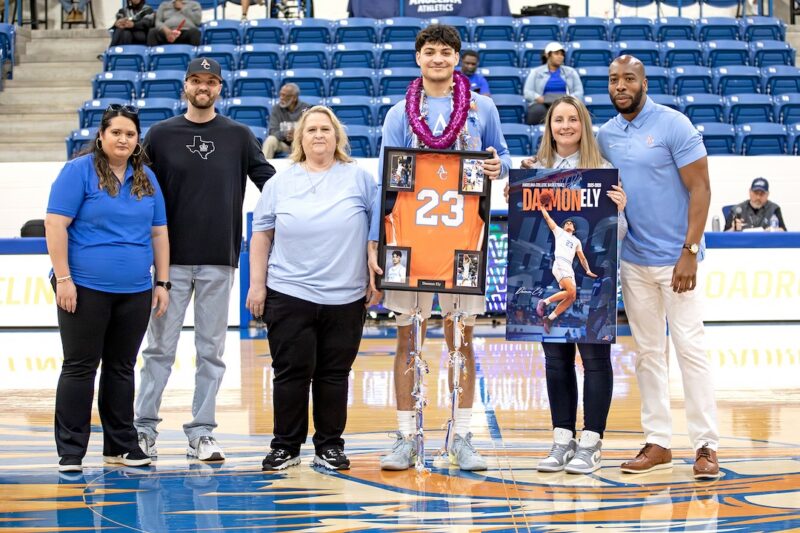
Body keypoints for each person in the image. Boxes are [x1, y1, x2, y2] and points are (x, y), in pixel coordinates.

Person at [369, 24, 512, 472]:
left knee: (461, 337)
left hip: (463, 239)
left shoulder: (481, 107)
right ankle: (407, 436)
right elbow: (384, 182)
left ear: (457, 58)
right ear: (418, 58)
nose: (437, 58)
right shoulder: (398, 112)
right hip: (408, 239)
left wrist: (495, 165)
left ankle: (462, 435)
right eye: (429, 51)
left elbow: (503, 158)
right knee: (408, 335)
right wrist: (377, 240)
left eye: (445, 52)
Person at [134, 58, 275, 462]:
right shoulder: (160, 135)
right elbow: (138, 190)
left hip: (219, 259)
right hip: (170, 263)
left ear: (219, 88)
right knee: (159, 349)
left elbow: (273, 186)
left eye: (210, 81)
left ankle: (202, 433)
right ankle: (143, 430)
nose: (203, 87)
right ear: (186, 85)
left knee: (211, 350)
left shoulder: (238, 135)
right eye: (196, 80)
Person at [597, 55, 720, 480]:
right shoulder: (606, 135)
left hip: (676, 260)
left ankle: (706, 445)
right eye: (614, 80)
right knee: (648, 354)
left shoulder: (674, 125)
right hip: (633, 261)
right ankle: (659, 442)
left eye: (629, 78)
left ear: (644, 82)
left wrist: (690, 249)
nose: (620, 86)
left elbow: (701, 188)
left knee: (691, 350)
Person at [246, 106, 380, 471]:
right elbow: (261, 236)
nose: (319, 135)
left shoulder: (360, 179)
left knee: (334, 375)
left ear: (337, 137)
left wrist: (376, 274)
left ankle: (330, 446)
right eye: (311, 130)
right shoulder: (279, 182)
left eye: (326, 129)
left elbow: (378, 232)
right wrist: (257, 286)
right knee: (290, 372)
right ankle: (285, 446)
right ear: (299, 139)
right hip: (290, 292)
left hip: (346, 295)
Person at [45, 104, 170, 472]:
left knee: (122, 367)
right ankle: (70, 451)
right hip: (84, 287)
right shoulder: (77, 172)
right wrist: (64, 278)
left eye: (130, 134)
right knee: (80, 367)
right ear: (101, 136)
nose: (123, 139)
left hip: (135, 290)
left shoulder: (146, 177)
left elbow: (159, 232)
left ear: (137, 140)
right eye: (116, 132)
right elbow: (55, 225)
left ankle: (121, 446)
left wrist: (161, 282)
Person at [517, 95, 627, 474]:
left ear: (584, 126)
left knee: (595, 359)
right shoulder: (536, 170)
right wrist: (516, 199)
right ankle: (562, 438)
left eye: (573, 120)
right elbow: (535, 221)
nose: (565, 126)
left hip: (594, 278)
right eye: (558, 120)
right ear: (549, 127)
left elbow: (617, 236)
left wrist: (621, 210)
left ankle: (592, 442)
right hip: (555, 271)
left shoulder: (603, 170)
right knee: (555, 360)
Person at [523, 42, 584, 125]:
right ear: (547, 55)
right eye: (556, 54)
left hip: (566, 102)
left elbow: (579, 92)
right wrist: (539, 98)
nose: (560, 57)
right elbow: (528, 92)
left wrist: (569, 99)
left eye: (562, 54)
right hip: (543, 103)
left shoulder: (571, 72)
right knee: (536, 111)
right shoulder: (536, 72)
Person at [263, 84, 311, 159]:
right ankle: (263, 167)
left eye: (285, 95)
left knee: (298, 143)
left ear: (294, 98)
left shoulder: (306, 109)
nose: (281, 98)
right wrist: (286, 134)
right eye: (280, 95)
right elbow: (272, 131)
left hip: (300, 144)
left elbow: (311, 130)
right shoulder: (276, 109)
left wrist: (296, 136)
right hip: (283, 143)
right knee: (270, 140)